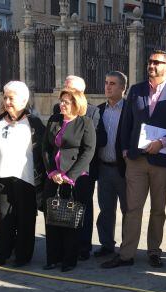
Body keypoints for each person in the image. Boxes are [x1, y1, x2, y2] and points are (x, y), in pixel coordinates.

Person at [101, 50, 166, 269]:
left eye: (157, 62)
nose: (151, 65)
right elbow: (126, 121)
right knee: (133, 208)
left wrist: (164, 142)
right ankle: (126, 254)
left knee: (158, 209)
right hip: (136, 160)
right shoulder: (136, 90)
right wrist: (124, 148)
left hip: (162, 161)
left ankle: (154, 251)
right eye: (150, 61)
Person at [0, 81, 45, 268]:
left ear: (24, 100)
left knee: (25, 218)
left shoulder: (33, 123)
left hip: (25, 179)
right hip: (1, 178)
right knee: (4, 217)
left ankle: (22, 255)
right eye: (5, 97)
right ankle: (4, 251)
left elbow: (42, 153)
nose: (7, 101)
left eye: (12, 98)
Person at [42, 88, 96, 271]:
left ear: (77, 104)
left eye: (66, 101)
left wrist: (69, 176)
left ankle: (68, 260)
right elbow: (46, 148)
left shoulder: (85, 122)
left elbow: (88, 151)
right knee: (52, 217)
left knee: (70, 221)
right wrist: (51, 171)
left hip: (76, 179)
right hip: (54, 177)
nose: (62, 104)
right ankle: (53, 258)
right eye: (61, 101)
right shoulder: (54, 120)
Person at [53, 75, 101, 261]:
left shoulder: (92, 112)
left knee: (83, 209)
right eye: (65, 87)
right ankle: (65, 246)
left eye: (71, 88)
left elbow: (93, 144)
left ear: (80, 92)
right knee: (64, 208)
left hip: (83, 171)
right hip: (60, 169)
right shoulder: (58, 110)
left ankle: (83, 246)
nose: (66, 91)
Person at [94, 71, 128, 258]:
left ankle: (126, 247)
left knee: (127, 210)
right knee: (106, 209)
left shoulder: (130, 110)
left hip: (123, 169)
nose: (108, 86)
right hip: (104, 168)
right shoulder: (98, 110)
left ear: (123, 88)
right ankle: (107, 244)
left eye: (113, 83)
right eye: (106, 82)